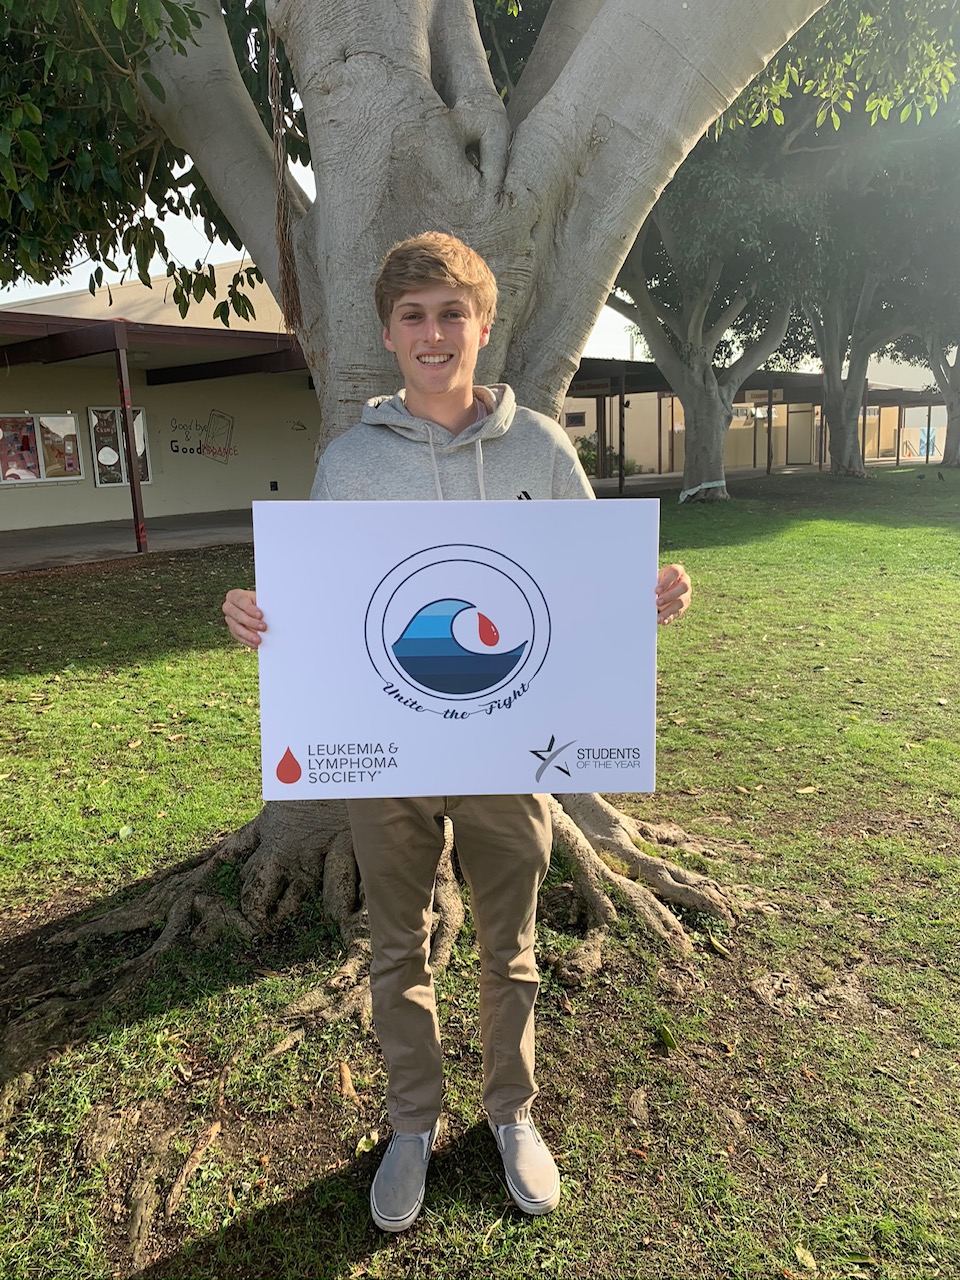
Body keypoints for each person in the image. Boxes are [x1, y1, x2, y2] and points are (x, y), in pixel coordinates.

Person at [223, 232, 691, 1232]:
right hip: (388, 755)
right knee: (398, 946)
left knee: (508, 943)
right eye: (413, 316)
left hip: (506, 749)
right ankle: (410, 1120)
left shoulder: (538, 450)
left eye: (451, 313)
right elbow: (325, 603)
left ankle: (512, 1109)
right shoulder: (350, 461)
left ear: (482, 326)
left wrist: (644, 597)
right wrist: (259, 613)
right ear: (391, 335)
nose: (434, 333)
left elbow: (581, 587)